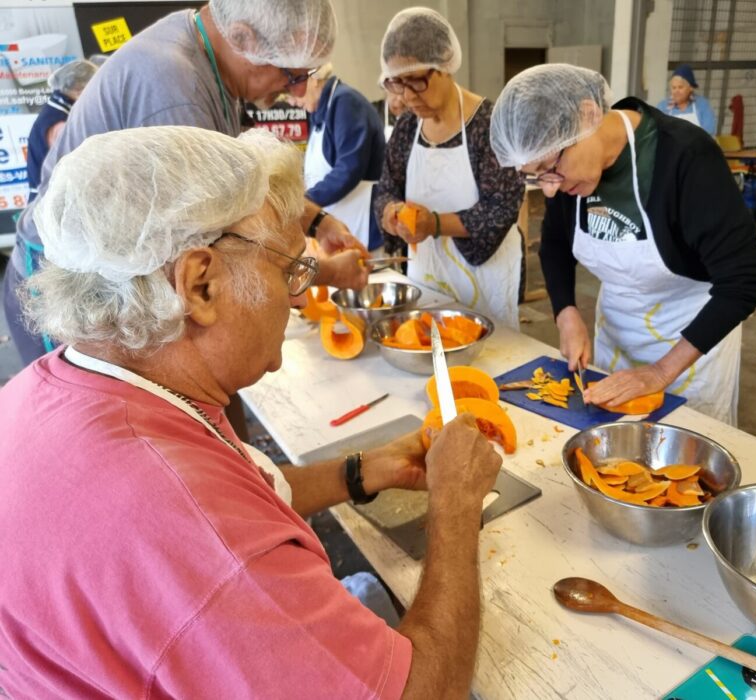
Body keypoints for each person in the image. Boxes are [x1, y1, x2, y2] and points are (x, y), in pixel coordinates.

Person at [0, 125, 503, 697]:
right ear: (199, 285)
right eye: (289, 269)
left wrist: (358, 471)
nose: (296, 298)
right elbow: (422, 692)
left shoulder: (64, 384)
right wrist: (455, 508)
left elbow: (235, 490)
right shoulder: (196, 533)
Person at [3, 0, 366, 366]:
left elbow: (249, 180)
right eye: (292, 75)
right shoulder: (175, 90)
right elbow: (229, 249)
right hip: (72, 295)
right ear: (243, 37)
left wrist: (318, 222)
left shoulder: (202, 53)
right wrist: (325, 274)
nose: (298, 90)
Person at [490, 64, 756, 424]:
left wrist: (660, 373)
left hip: (689, 345)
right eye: (536, 177)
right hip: (617, 334)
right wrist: (567, 314)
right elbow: (555, 244)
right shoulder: (564, 174)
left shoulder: (684, 156)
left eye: (550, 168)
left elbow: (745, 282)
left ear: (588, 115)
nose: (550, 189)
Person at [373, 7, 524, 329]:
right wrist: (391, 213)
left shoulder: (490, 125)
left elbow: (500, 210)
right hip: (428, 273)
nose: (408, 97)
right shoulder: (407, 128)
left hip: (486, 278)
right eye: (398, 84)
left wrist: (434, 224)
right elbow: (386, 187)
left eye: (417, 81)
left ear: (445, 64)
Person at [299, 63, 386, 252]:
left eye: (293, 89)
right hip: (338, 230)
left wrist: (303, 202)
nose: (291, 101)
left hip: (362, 228)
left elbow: (348, 170)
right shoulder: (319, 111)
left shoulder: (346, 103)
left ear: (313, 79)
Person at [25, 58, 97, 201]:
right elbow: (75, 168)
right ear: (79, 90)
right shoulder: (59, 123)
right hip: (48, 201)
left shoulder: (54, 109)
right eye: (93, 88)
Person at [656, 64, 716, 136]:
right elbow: (656, 132)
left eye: (680, 87)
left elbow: (709, 132)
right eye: (673, 88)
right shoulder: (663, 106)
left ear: (691, 88)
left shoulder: (702, 105)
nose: (676, 91)